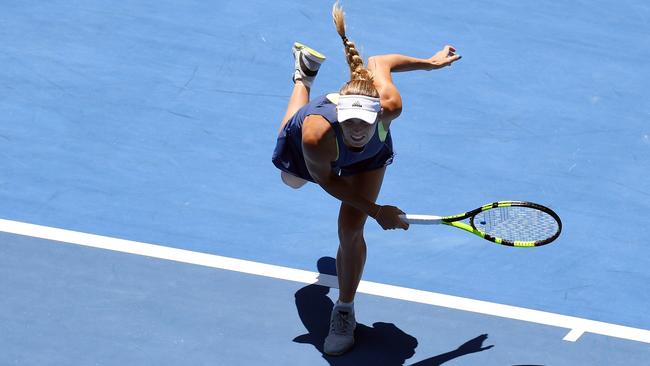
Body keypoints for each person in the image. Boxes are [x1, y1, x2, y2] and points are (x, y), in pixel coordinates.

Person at [272, 1, 462, 356]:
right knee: (291, 180)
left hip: (370, 161)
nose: (357, 130)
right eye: (351, 122)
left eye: (365, 122)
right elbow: (328, 181)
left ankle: (343, 309)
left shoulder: (390, 105)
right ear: (340, 112)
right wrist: (378, 211)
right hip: (318, 151)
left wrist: (430, 63)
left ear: (378, 112)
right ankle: (303, 77)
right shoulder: (317, 133)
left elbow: (380, 63)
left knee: (349, 228)